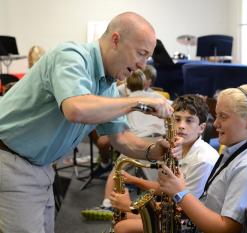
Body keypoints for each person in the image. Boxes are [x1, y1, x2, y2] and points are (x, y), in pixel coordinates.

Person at [0, 12, 183, 233]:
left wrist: (155, 150)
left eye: (147, 58)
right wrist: (136, 100)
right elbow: (76, 109)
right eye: (140, 53)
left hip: (38, 167)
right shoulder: (71, 56)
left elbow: (122, 138)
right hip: (11, 163)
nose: (141, 65)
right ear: (116, 39)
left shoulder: (108, 85)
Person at [158, 84, 247, 233]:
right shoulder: (236, 153)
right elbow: (211, 205)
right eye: (216, 115)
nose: (216, 123)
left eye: (223, 116)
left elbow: (226, 229)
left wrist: (180, 192)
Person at [107, 94, 219, 233]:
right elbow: (166, 189)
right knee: (123, 217)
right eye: (177, 119)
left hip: (190, 223)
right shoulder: (178, 148)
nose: (181, 126)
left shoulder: (202, 160)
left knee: (122, 227)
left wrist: (131, 205)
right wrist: (133, 180)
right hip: (176, 213)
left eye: (189, 121)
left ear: (201, 128)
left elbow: (185, 208)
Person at [82, 68, 167, 217]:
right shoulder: (154, 97)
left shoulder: (126, 104)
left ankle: (107, 204)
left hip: (139, 140)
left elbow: (120, 130)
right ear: (146, 84)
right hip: (160, 141)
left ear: (127, 86)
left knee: (117, 171)